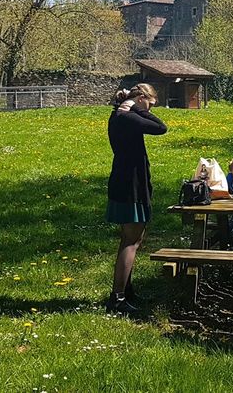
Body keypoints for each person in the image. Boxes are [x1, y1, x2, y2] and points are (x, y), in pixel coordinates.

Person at [105, 83, 167, 315]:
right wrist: (137, 108)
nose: (151, 109)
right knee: (130, 241)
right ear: (141, 98)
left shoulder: (118, 116)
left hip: (125, 181)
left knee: (133, 239)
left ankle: (126, 291)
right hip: (131, 184)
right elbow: (161, 127)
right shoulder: (127, 118)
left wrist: (132, 106)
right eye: (150, 103)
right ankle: (118, 298)